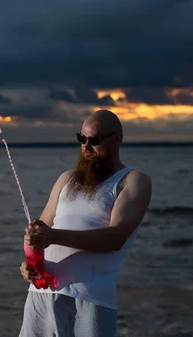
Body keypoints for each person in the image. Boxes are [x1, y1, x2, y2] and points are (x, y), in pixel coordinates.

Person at [18, 109, 152, 337]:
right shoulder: (67, 178)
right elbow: (42, 231)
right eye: (82, 139)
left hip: (89, 300)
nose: (86, 146)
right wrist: (29, 264)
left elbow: (115, 238)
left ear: (117, 140)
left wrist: (52, 236)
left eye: (95, 140)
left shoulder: (133, 180)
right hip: (41, 296)